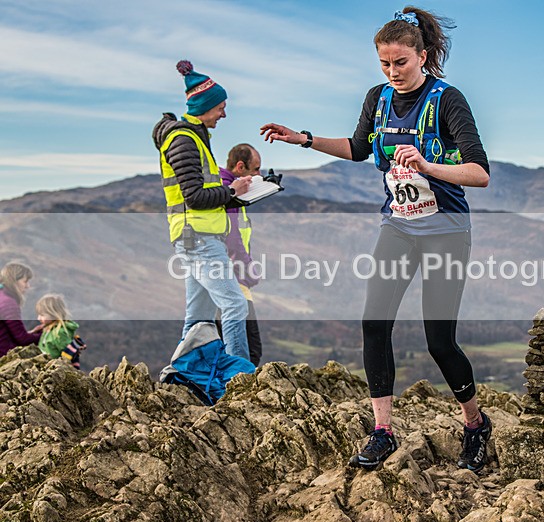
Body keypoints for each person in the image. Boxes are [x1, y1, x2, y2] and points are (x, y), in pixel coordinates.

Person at [260, 7, 492, 471]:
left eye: (401, 62)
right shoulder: (378, 97)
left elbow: (480, 173)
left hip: (445, 229)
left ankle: (475, 424)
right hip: (397, 226)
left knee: (439, 341)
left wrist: (427, 166)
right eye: (384, 64)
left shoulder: (447, 100)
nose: (393, 72)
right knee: (374, 323)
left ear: (422, 56)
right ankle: (382, 431)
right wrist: (303, 139)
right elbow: (359, 148)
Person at [152, 60, 253, 360]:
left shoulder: (194, 137)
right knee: (235, 305)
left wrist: (238, 195)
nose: (224, 113)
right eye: (221, 106)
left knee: (198, 319)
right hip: (198, 238)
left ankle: (180, 378)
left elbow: (204, 194)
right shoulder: (183, 139)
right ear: (205, 106)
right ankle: (242, 379)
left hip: (198, 237)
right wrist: (232, 190)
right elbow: (194, 197)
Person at [219, 143, 264, 366]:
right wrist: (249, 272)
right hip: (233, 281)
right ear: (240, 166)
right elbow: (233, 239)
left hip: (231, 280)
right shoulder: (230, 195)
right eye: (255, 169)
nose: (258, 175)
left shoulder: (230, 191)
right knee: (250, 350)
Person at [0, 262, 43, 357]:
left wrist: (32, 333)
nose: (28, 286)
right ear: (14, 281)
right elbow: (22, 339)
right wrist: (45, 335)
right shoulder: (8, 303)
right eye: (25, 281)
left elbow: (9, 334)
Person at [36, 294, 86, 370]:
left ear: (54, 313)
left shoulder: (60, 333)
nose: (38, 318)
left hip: (56, 369)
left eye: (42, 315)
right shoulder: (48, 328)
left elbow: (68, 355)